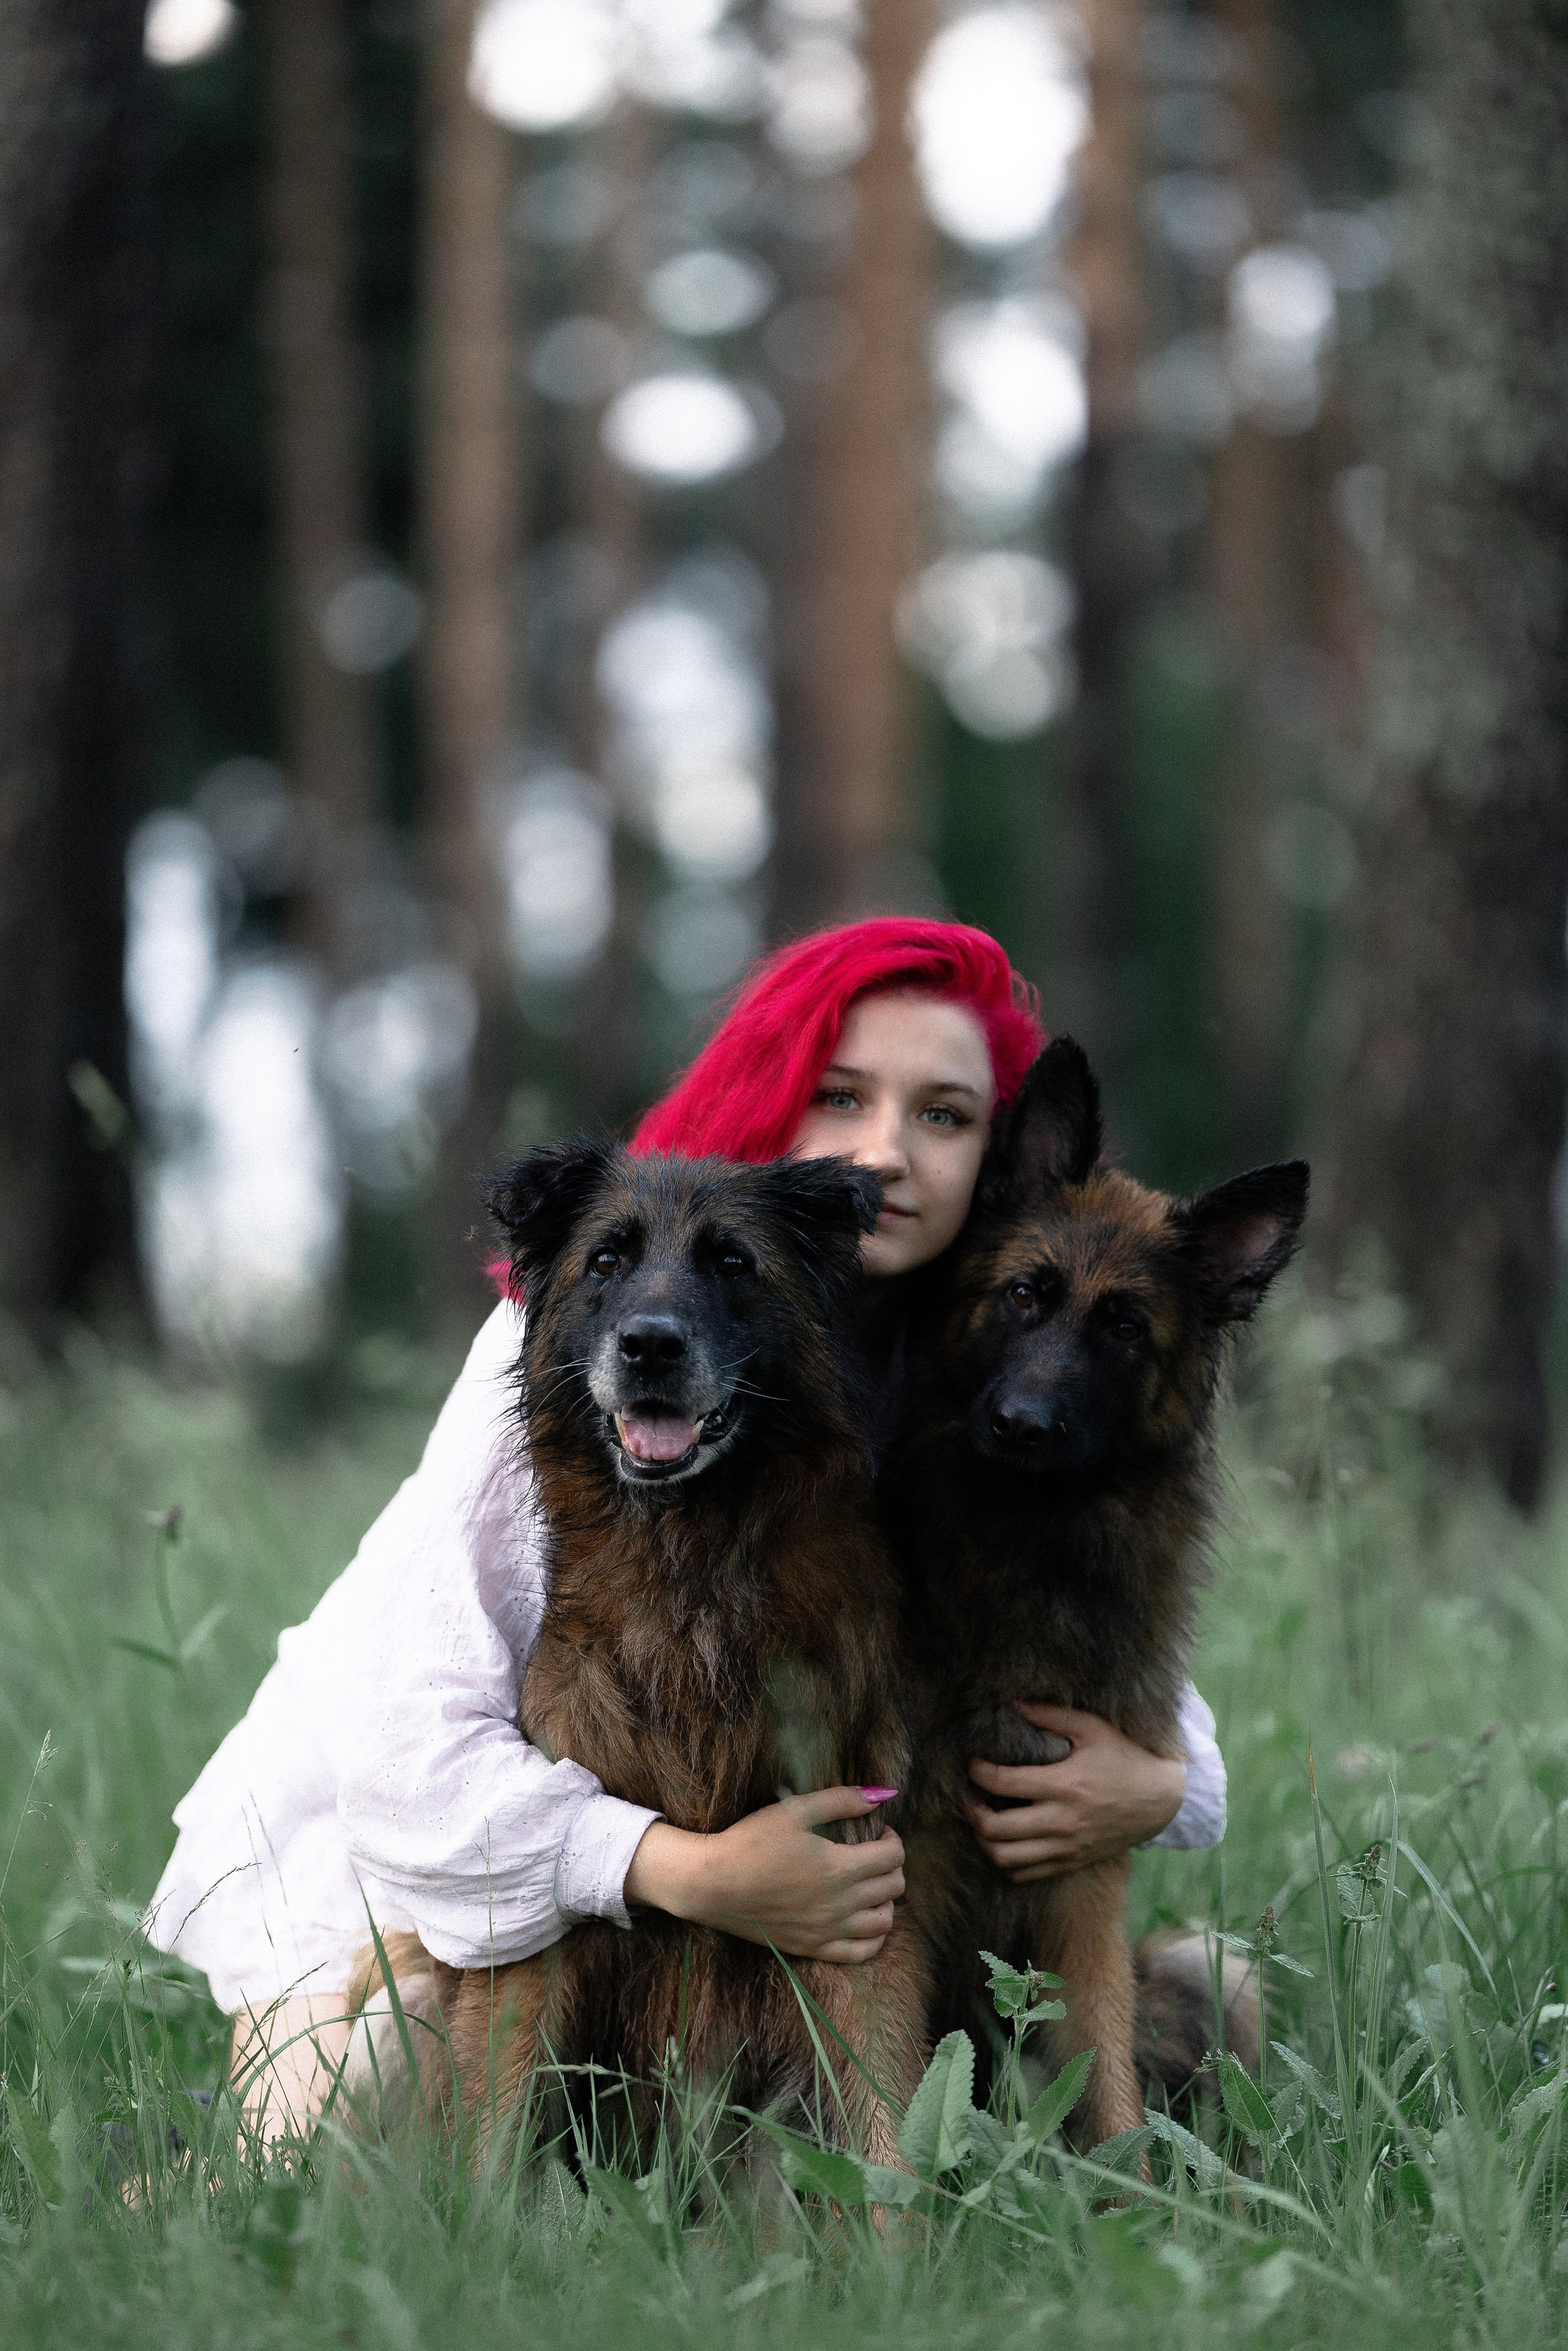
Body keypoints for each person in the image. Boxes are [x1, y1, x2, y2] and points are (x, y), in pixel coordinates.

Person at [145, 918, 1224, 2138]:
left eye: (942, 1114)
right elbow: (400, 1753)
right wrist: (689, 1871)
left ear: (1002, 1154)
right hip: (422, 1877)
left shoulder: (983, 1352)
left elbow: (1095, 1639)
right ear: (775, 1087)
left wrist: (1163, 1784)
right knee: (367, 2098)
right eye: (841, 1094)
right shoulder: (578, 1330)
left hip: (715, 1940)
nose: (884, 1152)